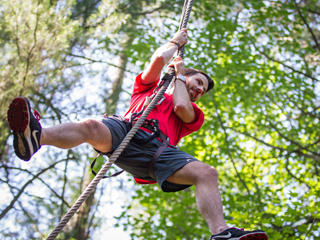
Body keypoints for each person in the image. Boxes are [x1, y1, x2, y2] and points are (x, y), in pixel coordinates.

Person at [7, 28, 268, 240]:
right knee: (90, 126)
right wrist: (174, 43)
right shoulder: (148, 90)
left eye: (203, 90)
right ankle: (35, 138)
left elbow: (180, 106)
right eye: (197, 82)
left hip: (157, 152)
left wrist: (179, 76)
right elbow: (157, 61)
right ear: (186, 75)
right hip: (126, 130)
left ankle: (221, 234)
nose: (200, 90)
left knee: (206, 173)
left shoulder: (193, 115)